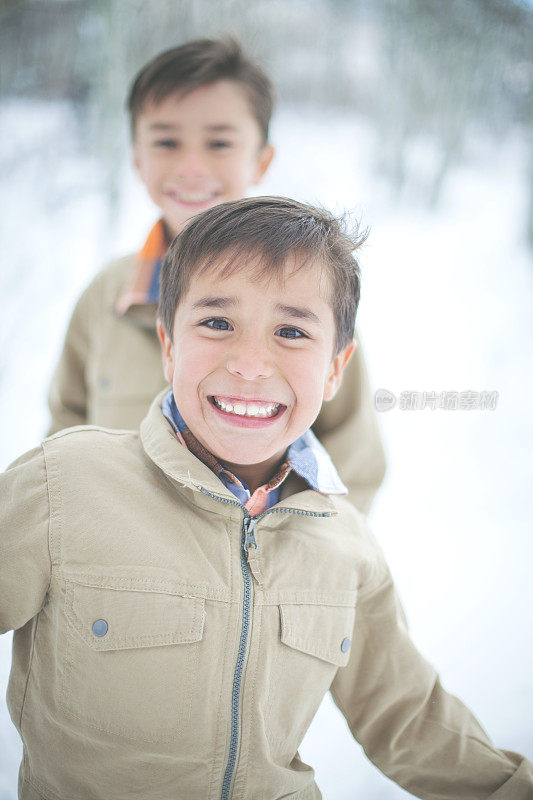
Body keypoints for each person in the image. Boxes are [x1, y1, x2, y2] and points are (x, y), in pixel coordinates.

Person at [1, 197, 531, 800]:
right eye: (218, 323)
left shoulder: (345, 544)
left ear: (335, 368)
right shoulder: (66, 484)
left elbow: (408, 717)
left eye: (291, 331)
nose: (250, 364)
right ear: (168, 344)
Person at [46, 37, 385, 513]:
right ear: (137, 158)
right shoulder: (105, 296)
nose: (191, 166)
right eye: (166, 141)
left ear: (262, 159)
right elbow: (67, 426)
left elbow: (354, 462)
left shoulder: (308, 300)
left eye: (220, 142)